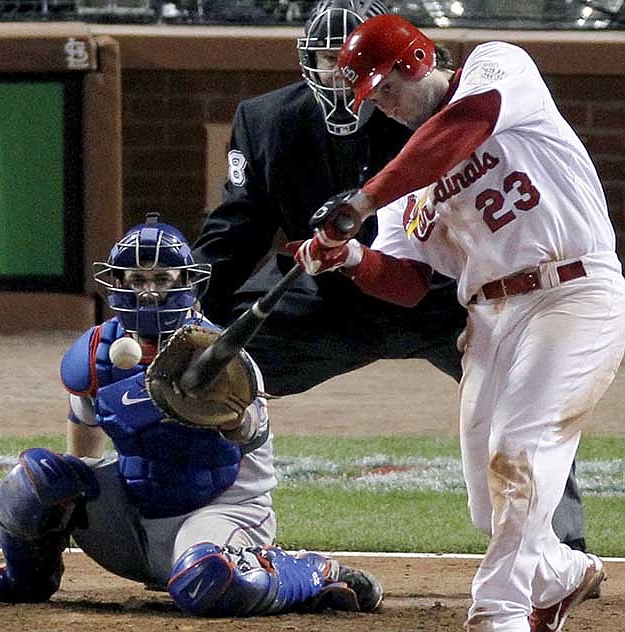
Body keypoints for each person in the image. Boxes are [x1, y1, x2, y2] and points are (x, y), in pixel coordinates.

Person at [191, 0, 589, 557]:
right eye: (328, 59)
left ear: (404, 63)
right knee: (211, 371)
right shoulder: (264, 121)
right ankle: (198, 522)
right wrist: (190, 318)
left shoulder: (429, 108)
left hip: (443, 298)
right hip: (327, 299)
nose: (340, 73)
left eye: (353, 60)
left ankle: (562, 548)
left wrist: (365, 202)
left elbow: (448, 148)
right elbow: (234, 230)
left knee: (526, 401)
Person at [290, 13, 625, 631]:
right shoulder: (409, 182)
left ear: (417, 61)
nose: (383, 108)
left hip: (573, 291)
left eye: (386, 89)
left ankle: (497, 614)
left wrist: (360, 203)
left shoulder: (497, 66)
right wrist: (353, 257)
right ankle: (560, 573)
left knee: (520, 452)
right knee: (488, 501)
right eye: (373, 100)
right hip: (492, 318)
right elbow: (411, 284)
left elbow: (464, 127)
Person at [0, 213, 383, 616]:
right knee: (36, 478)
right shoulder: (94, 354)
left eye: (162, 278)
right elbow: (83, 450)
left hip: (217, 513)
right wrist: (66, 495)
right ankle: (22, 580)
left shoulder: (223, 358)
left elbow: (249, 436)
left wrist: (221, 413)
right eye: (137, 279)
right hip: (134, 520)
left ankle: (312, 571)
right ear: (116, 283)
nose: (148, 291)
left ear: (185, 283)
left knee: (205, 581)